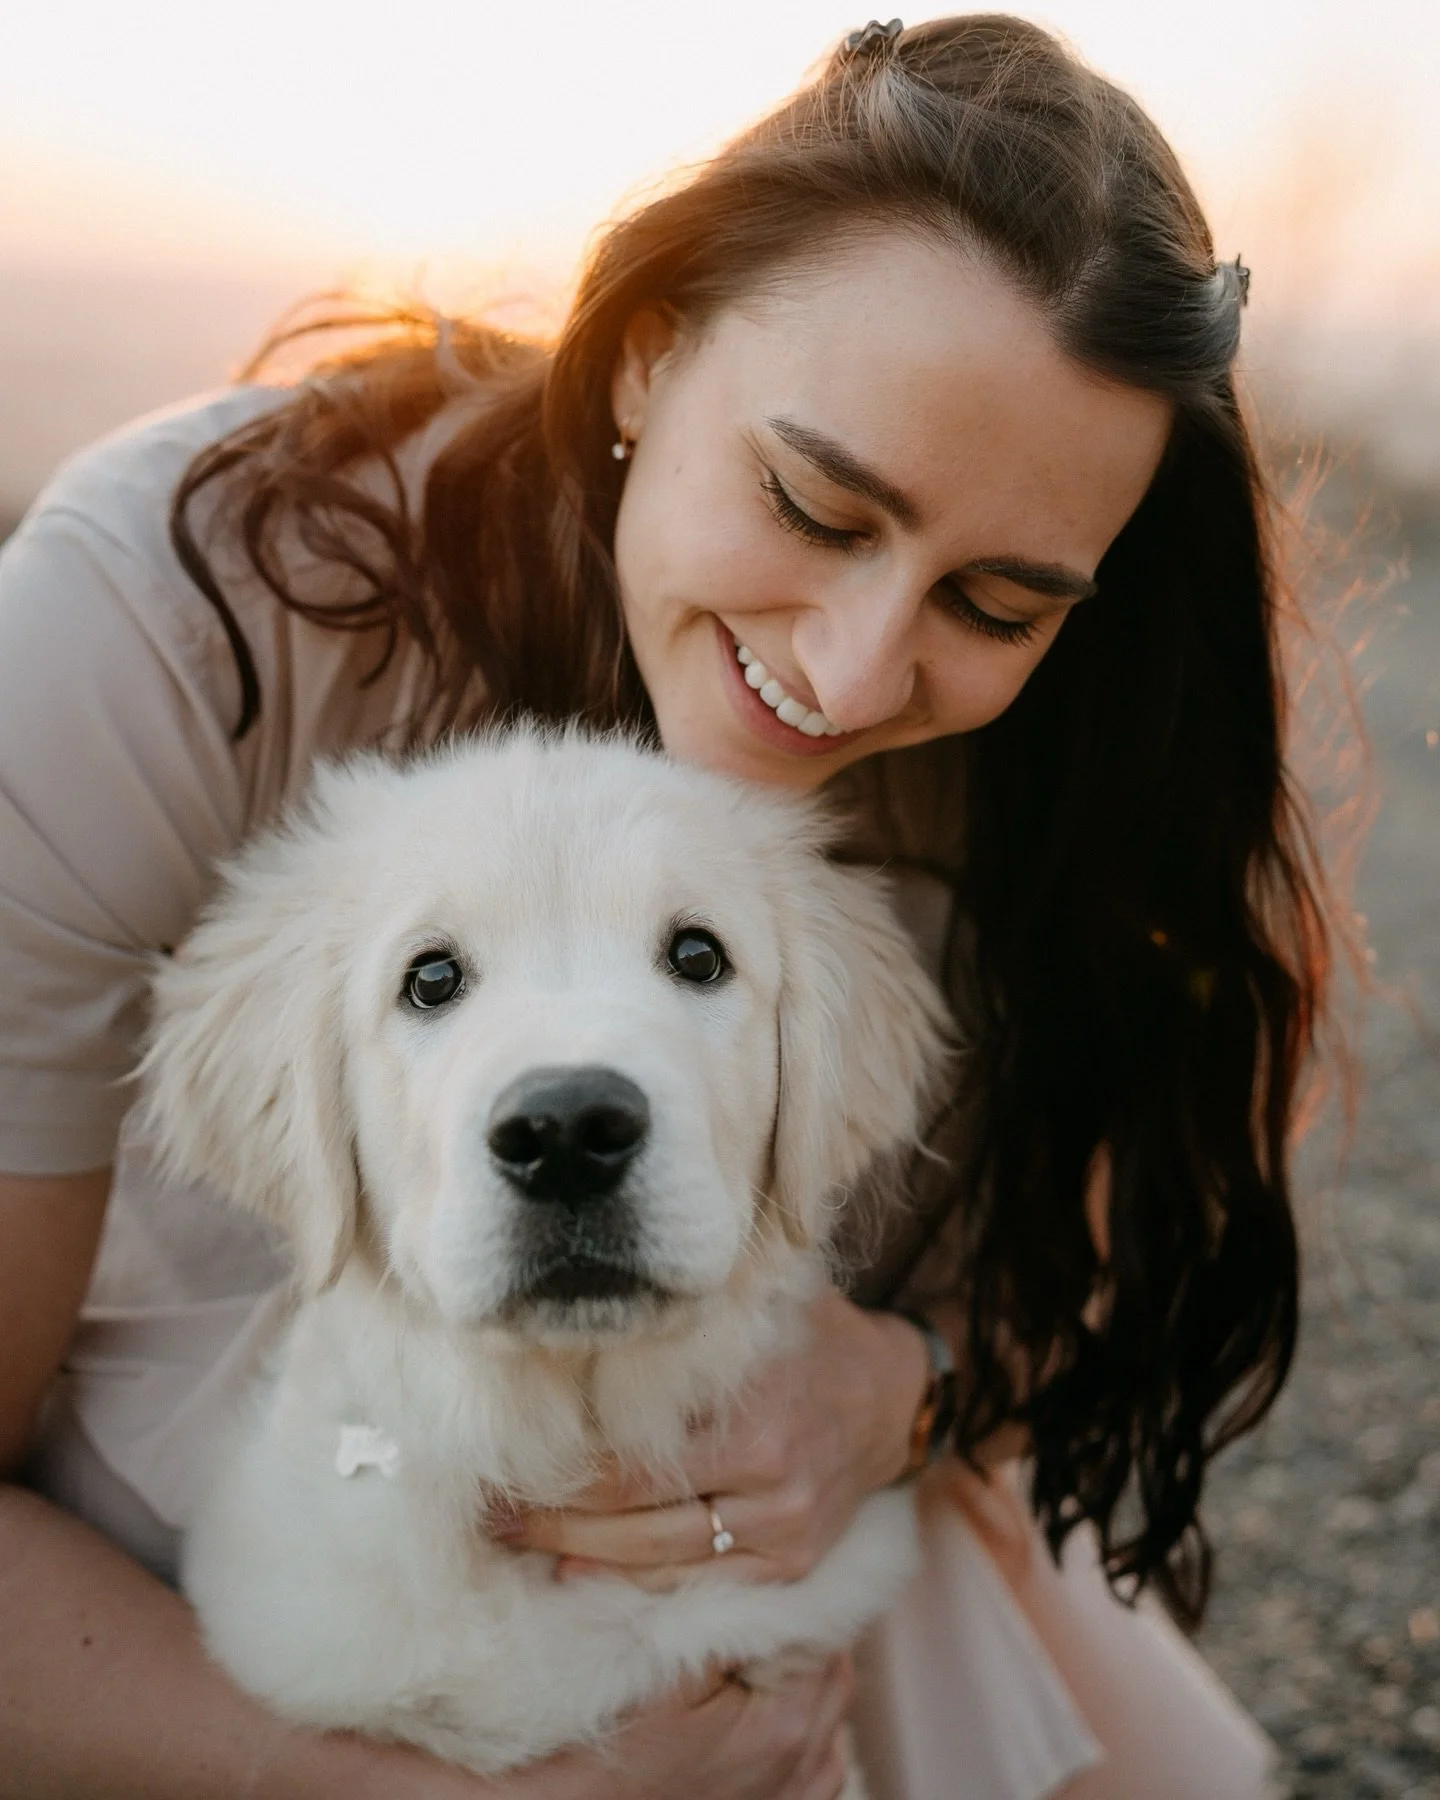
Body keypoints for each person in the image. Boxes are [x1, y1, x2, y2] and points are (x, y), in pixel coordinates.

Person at [0, 14, 1329, 1797]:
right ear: (640, 359)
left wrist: (905, 1387)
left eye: (997, 604)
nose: (857, 676)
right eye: (811, 500)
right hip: (242, 1504)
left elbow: (1036, 1261)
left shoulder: (1028, 768)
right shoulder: (150, 623)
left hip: (723, 1471)